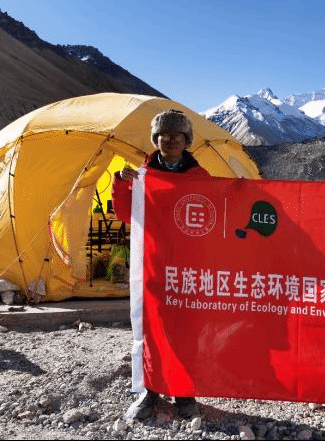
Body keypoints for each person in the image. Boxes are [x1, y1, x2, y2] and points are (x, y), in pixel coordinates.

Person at [112, 109, 209, 420]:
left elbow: (214, 212)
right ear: (156, 140)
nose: (170, 141)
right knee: (151, 328)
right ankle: (150, 390)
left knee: (185, 331)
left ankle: (184, 392)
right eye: (164, 135)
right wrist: (121, 183)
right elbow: (125, 214)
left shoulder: (200, 177)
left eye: (177, 136)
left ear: (186, 141)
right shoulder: (142, 176)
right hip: (152, 264)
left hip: (187, 266)